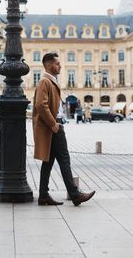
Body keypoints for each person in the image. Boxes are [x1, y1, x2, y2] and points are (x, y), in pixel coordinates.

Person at [33, 52, 95, 206]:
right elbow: (41, 105)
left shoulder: (50, 82)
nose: (60, 65)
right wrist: (54, 124)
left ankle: (43, 195)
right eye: (57, 63)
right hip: (54, 127)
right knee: (64, 160)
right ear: (49, 65)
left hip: (54, 127)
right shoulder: (45, 82)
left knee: (48, 162)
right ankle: (75, 195)